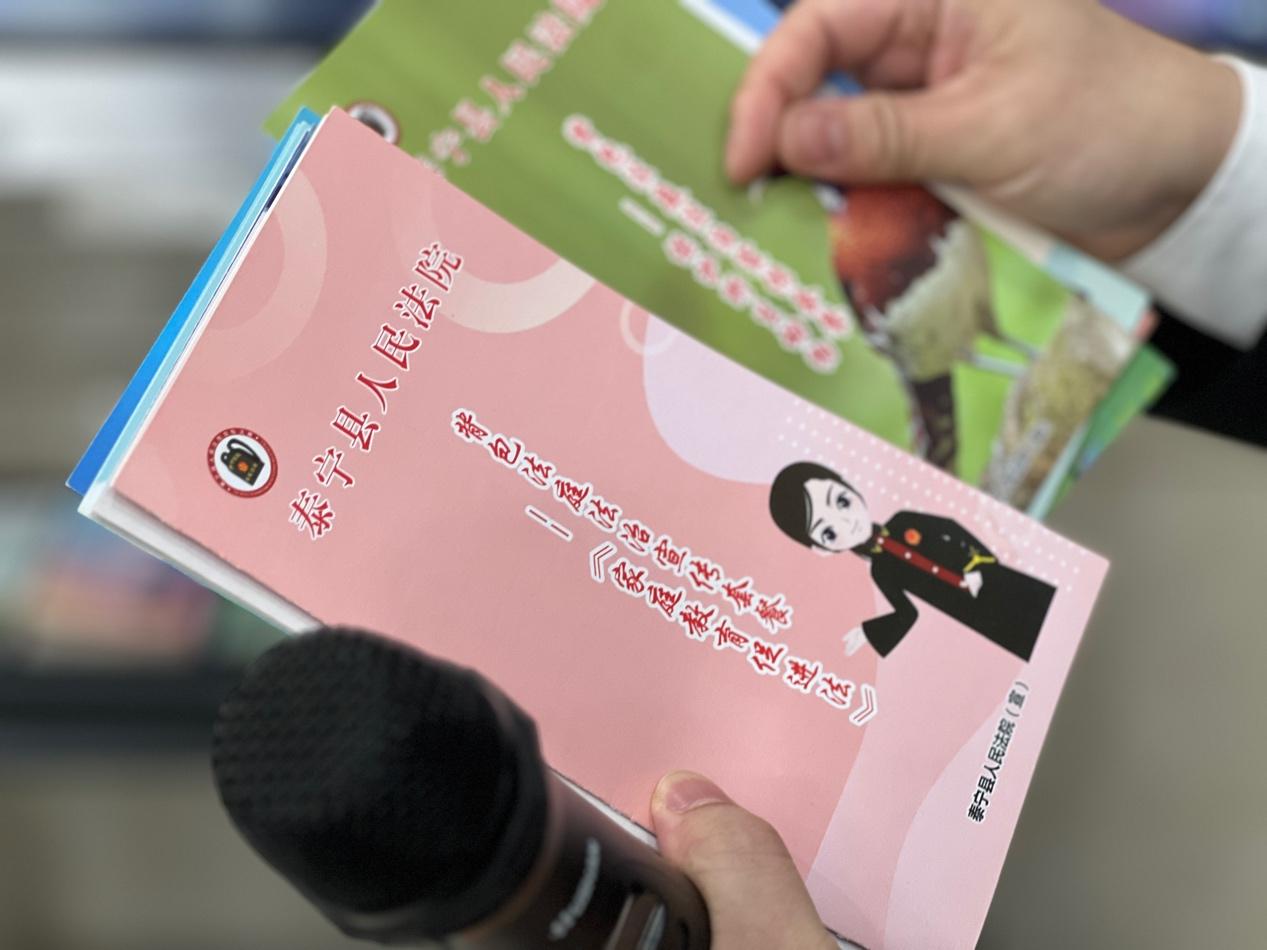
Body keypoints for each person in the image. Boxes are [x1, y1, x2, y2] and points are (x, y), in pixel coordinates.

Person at [653, 1, 1267, 946]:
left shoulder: (907, 526)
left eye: (832, 504)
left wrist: (1217, 169)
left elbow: (949, 542)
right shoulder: (885, 556)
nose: (839, 520)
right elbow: (904, 607)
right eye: (826, 524)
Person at [766, 461, 1055, 660]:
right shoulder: (881, 571)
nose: (846, 522)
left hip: (991, 578)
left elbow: (951, 529)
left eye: (841, 501)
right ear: (822, 549)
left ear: (850, 486)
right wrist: (869, 632)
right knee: (1029, 644)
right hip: (971, 612)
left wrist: (982, 564)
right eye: (828, 532)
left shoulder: (903, 520)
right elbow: (906, 614)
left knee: (1046, 608)